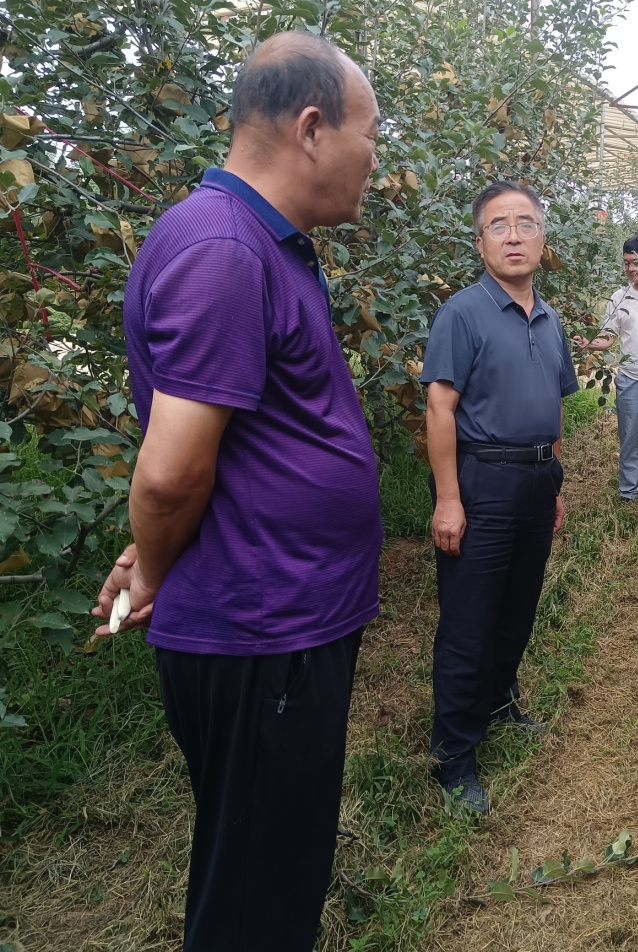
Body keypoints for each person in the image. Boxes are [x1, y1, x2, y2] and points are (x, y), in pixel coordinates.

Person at [90, 32, 383, 952]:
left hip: (283, 619)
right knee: (257, 897)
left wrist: (155, 548)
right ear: (311, 128)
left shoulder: (258, 243)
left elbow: (215, 453)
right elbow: (170, 472)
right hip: (263, 629)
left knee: (271, 869)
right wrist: (157, 568)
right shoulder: (225, 250)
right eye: (370, 136)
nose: (375, 160)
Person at [422, 181, 578, 813]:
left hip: (537, 480)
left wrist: (556, 479)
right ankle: (454, 755)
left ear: (542, 237)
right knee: (469, 621)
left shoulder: (551, 318)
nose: (514, 237)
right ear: (480, 241)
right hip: (481, 481)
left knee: (518, 607)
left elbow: (554, 407)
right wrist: (448, 499)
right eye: (499, 226)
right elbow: (439, 408)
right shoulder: (462, 313)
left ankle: (499, 704)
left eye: (526, 224)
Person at [574, 235, 638, 501]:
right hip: (629, 379)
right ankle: (629, 490)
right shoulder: (620, 297)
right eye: (626, 263)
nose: (630, 268)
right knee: (628, 437)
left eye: (636, 263)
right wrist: (588, 343)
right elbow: (608, 337)